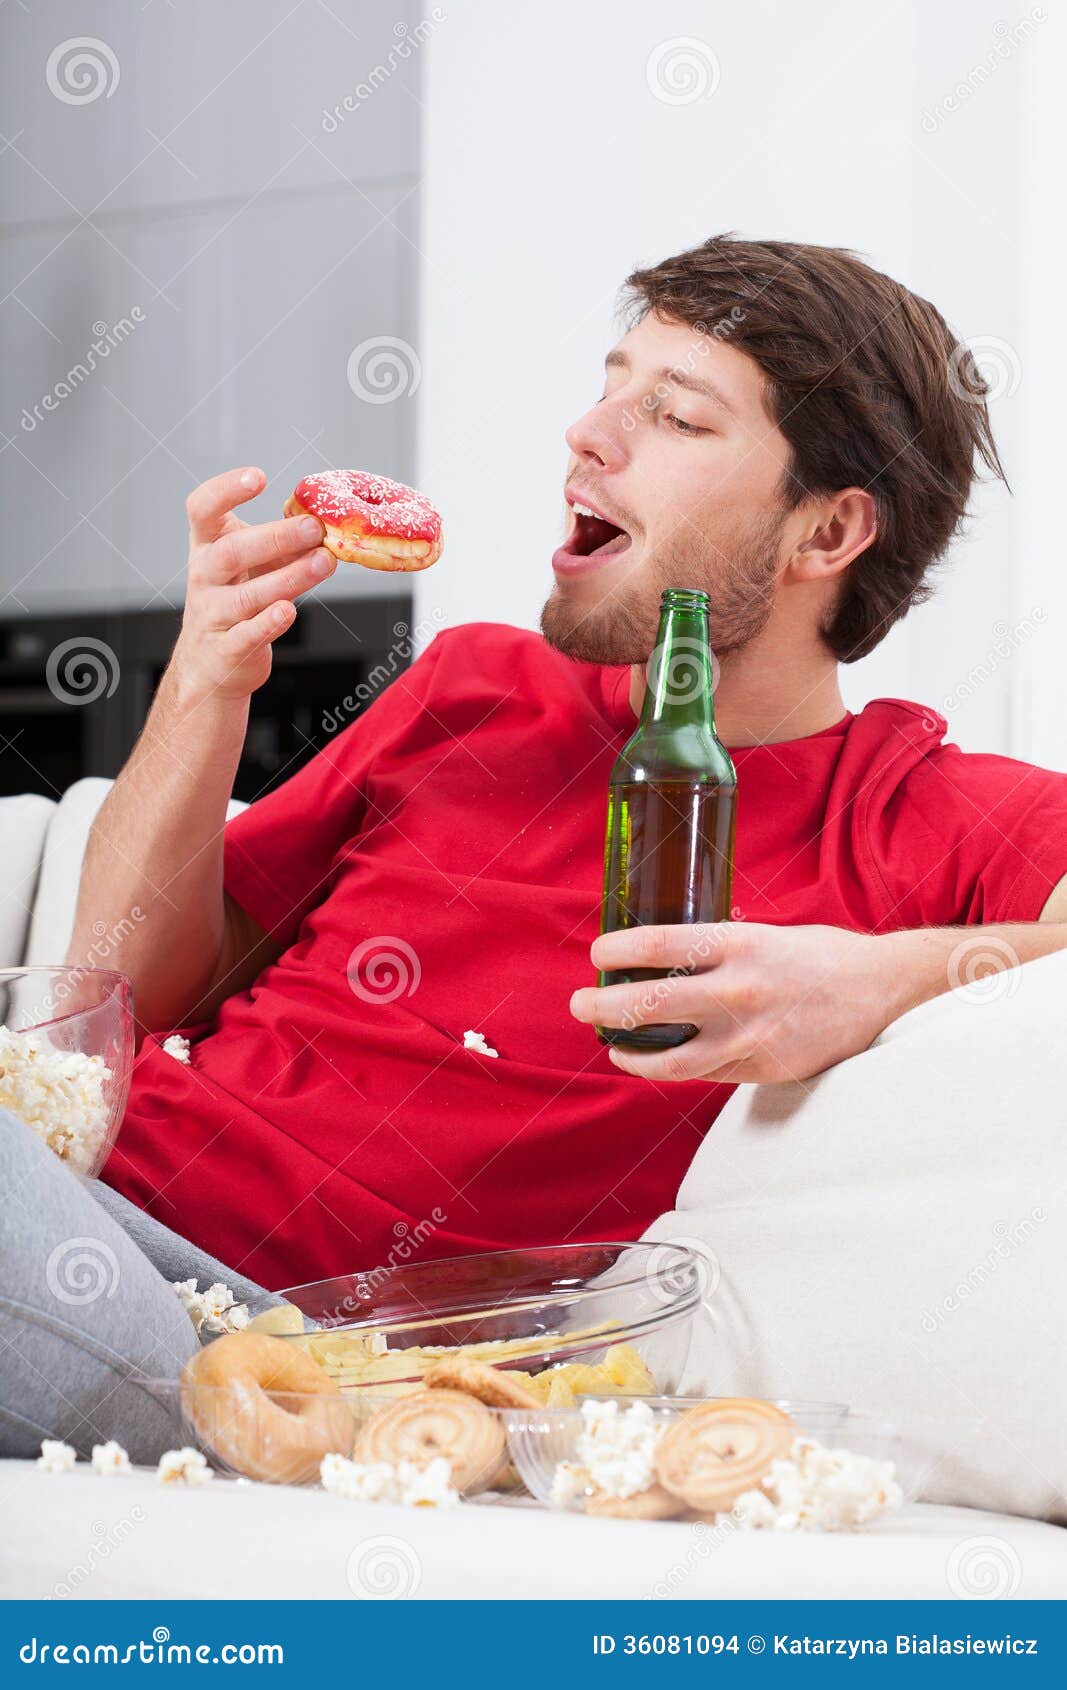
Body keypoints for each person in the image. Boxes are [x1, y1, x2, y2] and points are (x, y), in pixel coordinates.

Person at [58, 235, 1067, 1294]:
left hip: (245, 1315)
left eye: (676, 418)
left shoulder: (923, 817)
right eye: (608, 390)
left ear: (824, 534)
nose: (586, 434)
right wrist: (202, 685)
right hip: (83, 1176)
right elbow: (125, 999)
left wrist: (869, 984)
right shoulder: (470, 684)